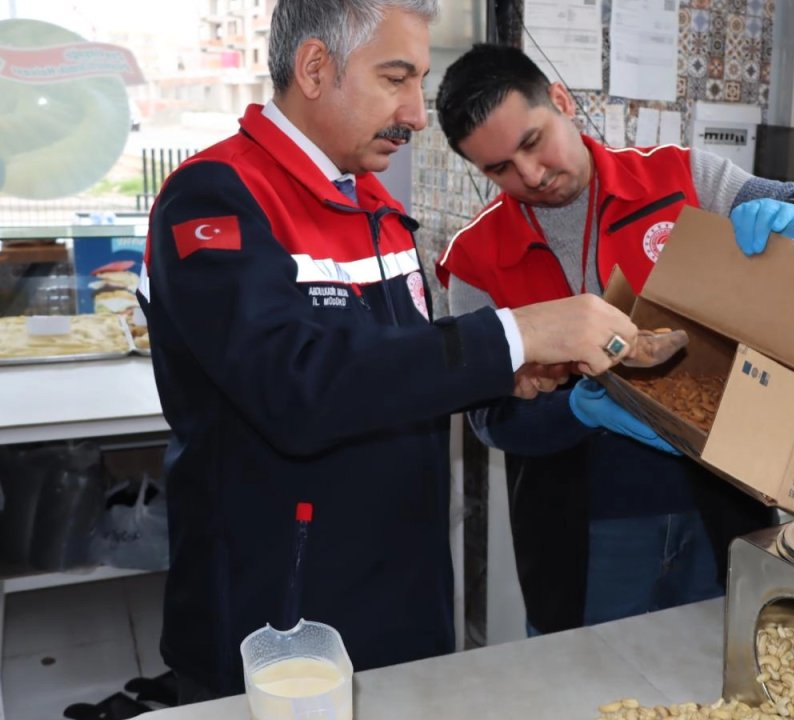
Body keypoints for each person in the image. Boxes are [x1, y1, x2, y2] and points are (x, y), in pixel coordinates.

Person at [139, 1, 641, 701]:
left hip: (401, 597)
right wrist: (517, 332)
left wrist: (506, 373)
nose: (414, 112)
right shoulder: (217, 199)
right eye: (395, 79)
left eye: (418, 81)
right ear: (315, 68)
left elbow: (392, 368)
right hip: (284, 613)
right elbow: (296, 391)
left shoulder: (374, 207)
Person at [433, 44, 794, 635]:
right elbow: (489, 421)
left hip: (719, 503)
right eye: (498, 168)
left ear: (559, 101)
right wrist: (577, 408)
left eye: (532, 142)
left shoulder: (680, 178)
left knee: (720, 666)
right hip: (586, 527)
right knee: (591, 683)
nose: (530, 175)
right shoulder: (474, 259)